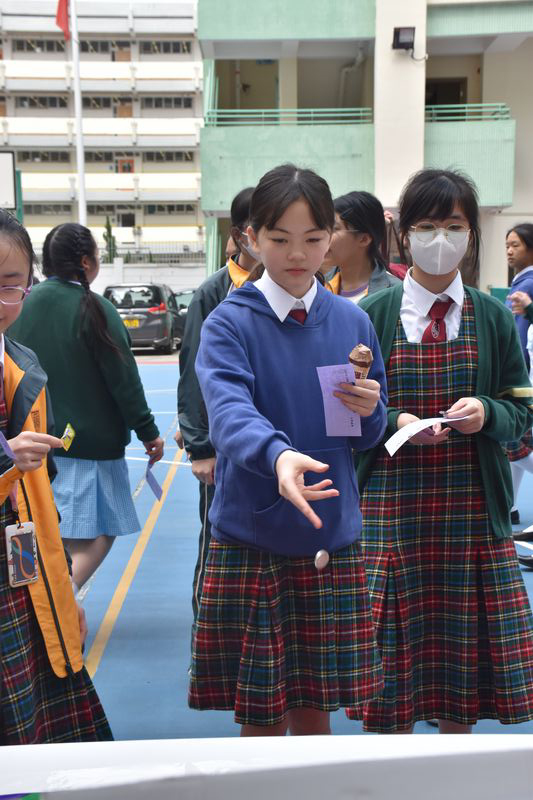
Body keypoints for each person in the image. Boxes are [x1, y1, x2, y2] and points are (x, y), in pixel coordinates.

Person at [189, 164, 388, 735]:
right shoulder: (230, 323)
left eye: (314, 238)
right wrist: (278, 456)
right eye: (280, 239)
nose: (298, 254)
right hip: (257, 536)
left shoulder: (352, 321)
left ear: (332, 238)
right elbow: (229, 415)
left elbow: (368, 434)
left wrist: (371, 409)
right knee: (262, 721)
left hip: (331, 531)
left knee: (316, 714)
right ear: (252, 237)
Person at [347, 168, 533, 734]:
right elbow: (344, 421)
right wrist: (394, 421)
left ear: (471, 235)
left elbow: (523, 418)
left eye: (453, 225)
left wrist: (487, 413)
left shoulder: (494, 317)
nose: (439, 238)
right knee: (388, 690)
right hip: (390, 517)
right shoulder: (368, 317)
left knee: (461, 682)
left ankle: (453, 769)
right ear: (403, 235)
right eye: (426, 225)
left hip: (472, 517)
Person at [0, 210, 112, 743]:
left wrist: (62, 588)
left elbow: (39, 501)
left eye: (9, 285)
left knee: (34, 738)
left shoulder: (20, 363)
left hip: (21, 565)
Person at [8, 223, 163, 590]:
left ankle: (44, 598)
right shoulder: (96, 309)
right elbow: (125, 382)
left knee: (39, 532)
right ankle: (63, 598)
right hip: (90, 448)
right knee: (97, 534)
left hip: (27, 446)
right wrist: (148, 432)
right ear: (86, 262)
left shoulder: (20, 307)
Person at [177, 186, 257, 628]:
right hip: (224, 447)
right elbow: (193, 372)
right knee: (217, 544)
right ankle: (205, 638)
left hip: (279, 443)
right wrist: (201, 447)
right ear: (243, 234)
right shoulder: (213, 292)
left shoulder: (306, 287)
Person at [502, 224, 533, 536]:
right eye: (507, 245)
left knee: (515, 443)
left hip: (523, 377)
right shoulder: (521, 282)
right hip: (523, 372)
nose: (509, 251)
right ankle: (508, 506)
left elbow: (520, 336)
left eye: (516, 245)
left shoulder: (529, 284)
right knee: (514, 444)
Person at [322, 191, 400, 302]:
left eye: (334, 228)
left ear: (364, 239)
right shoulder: (319, 286)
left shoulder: (393, 295)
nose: (323, 236)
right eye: (324, 228)